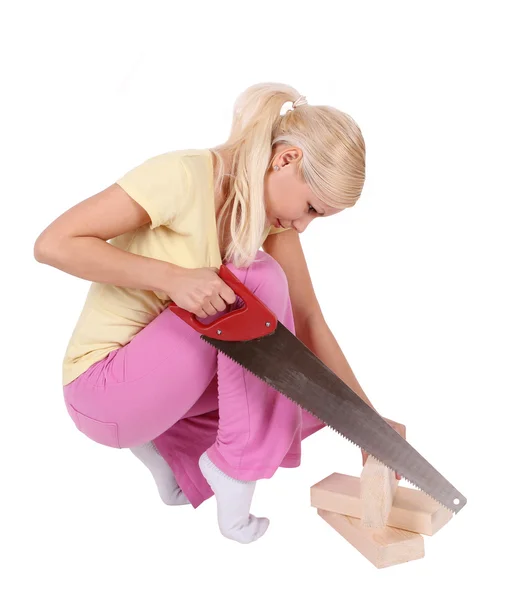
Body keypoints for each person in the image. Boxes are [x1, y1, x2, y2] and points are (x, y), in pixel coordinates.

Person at [34, 82, 405, 544]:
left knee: (300, 386)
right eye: (310, 207)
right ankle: (234, 469)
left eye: (318, 219)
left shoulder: (267, 219)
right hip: (100, 389)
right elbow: (53, 244)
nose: (302, 225)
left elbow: (308, 323)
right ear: (285, 159)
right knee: (260, 278)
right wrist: (171, 277)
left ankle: (176, 465)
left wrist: (370, 424)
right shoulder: (183, 176)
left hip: (161, 406)